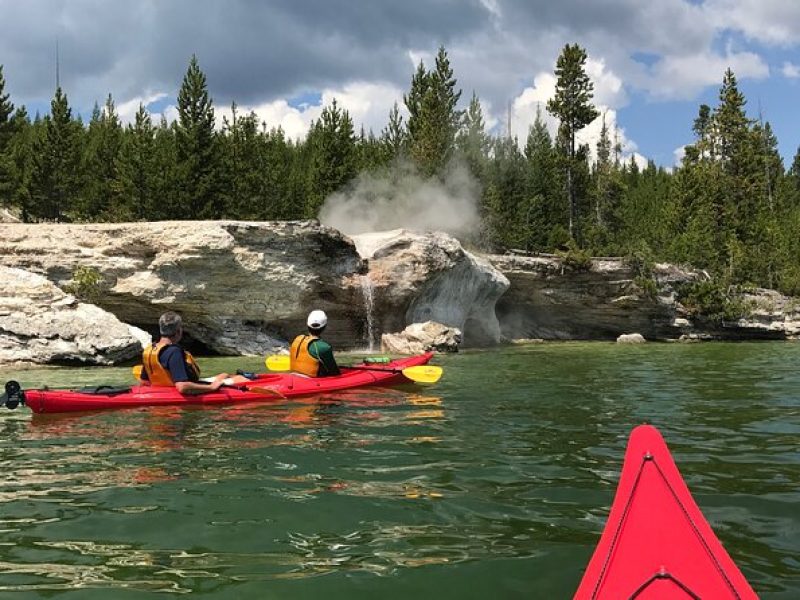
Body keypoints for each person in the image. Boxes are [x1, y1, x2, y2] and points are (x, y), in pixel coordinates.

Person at [140, 311, 229, 393]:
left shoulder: (150, 349)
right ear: (178, 331)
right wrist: (211, 387)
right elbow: (182, 386)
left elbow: (144, 382)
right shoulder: (174, 351)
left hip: (161, 392)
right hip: (175, 395)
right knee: (229, 377)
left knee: (224, 375)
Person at [290, 310, 341, 377]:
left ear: (307, 325)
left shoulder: (297, 339)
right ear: (324, 327)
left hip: (294, 376)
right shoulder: (323, 347)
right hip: (312, 382)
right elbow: (335, 372)